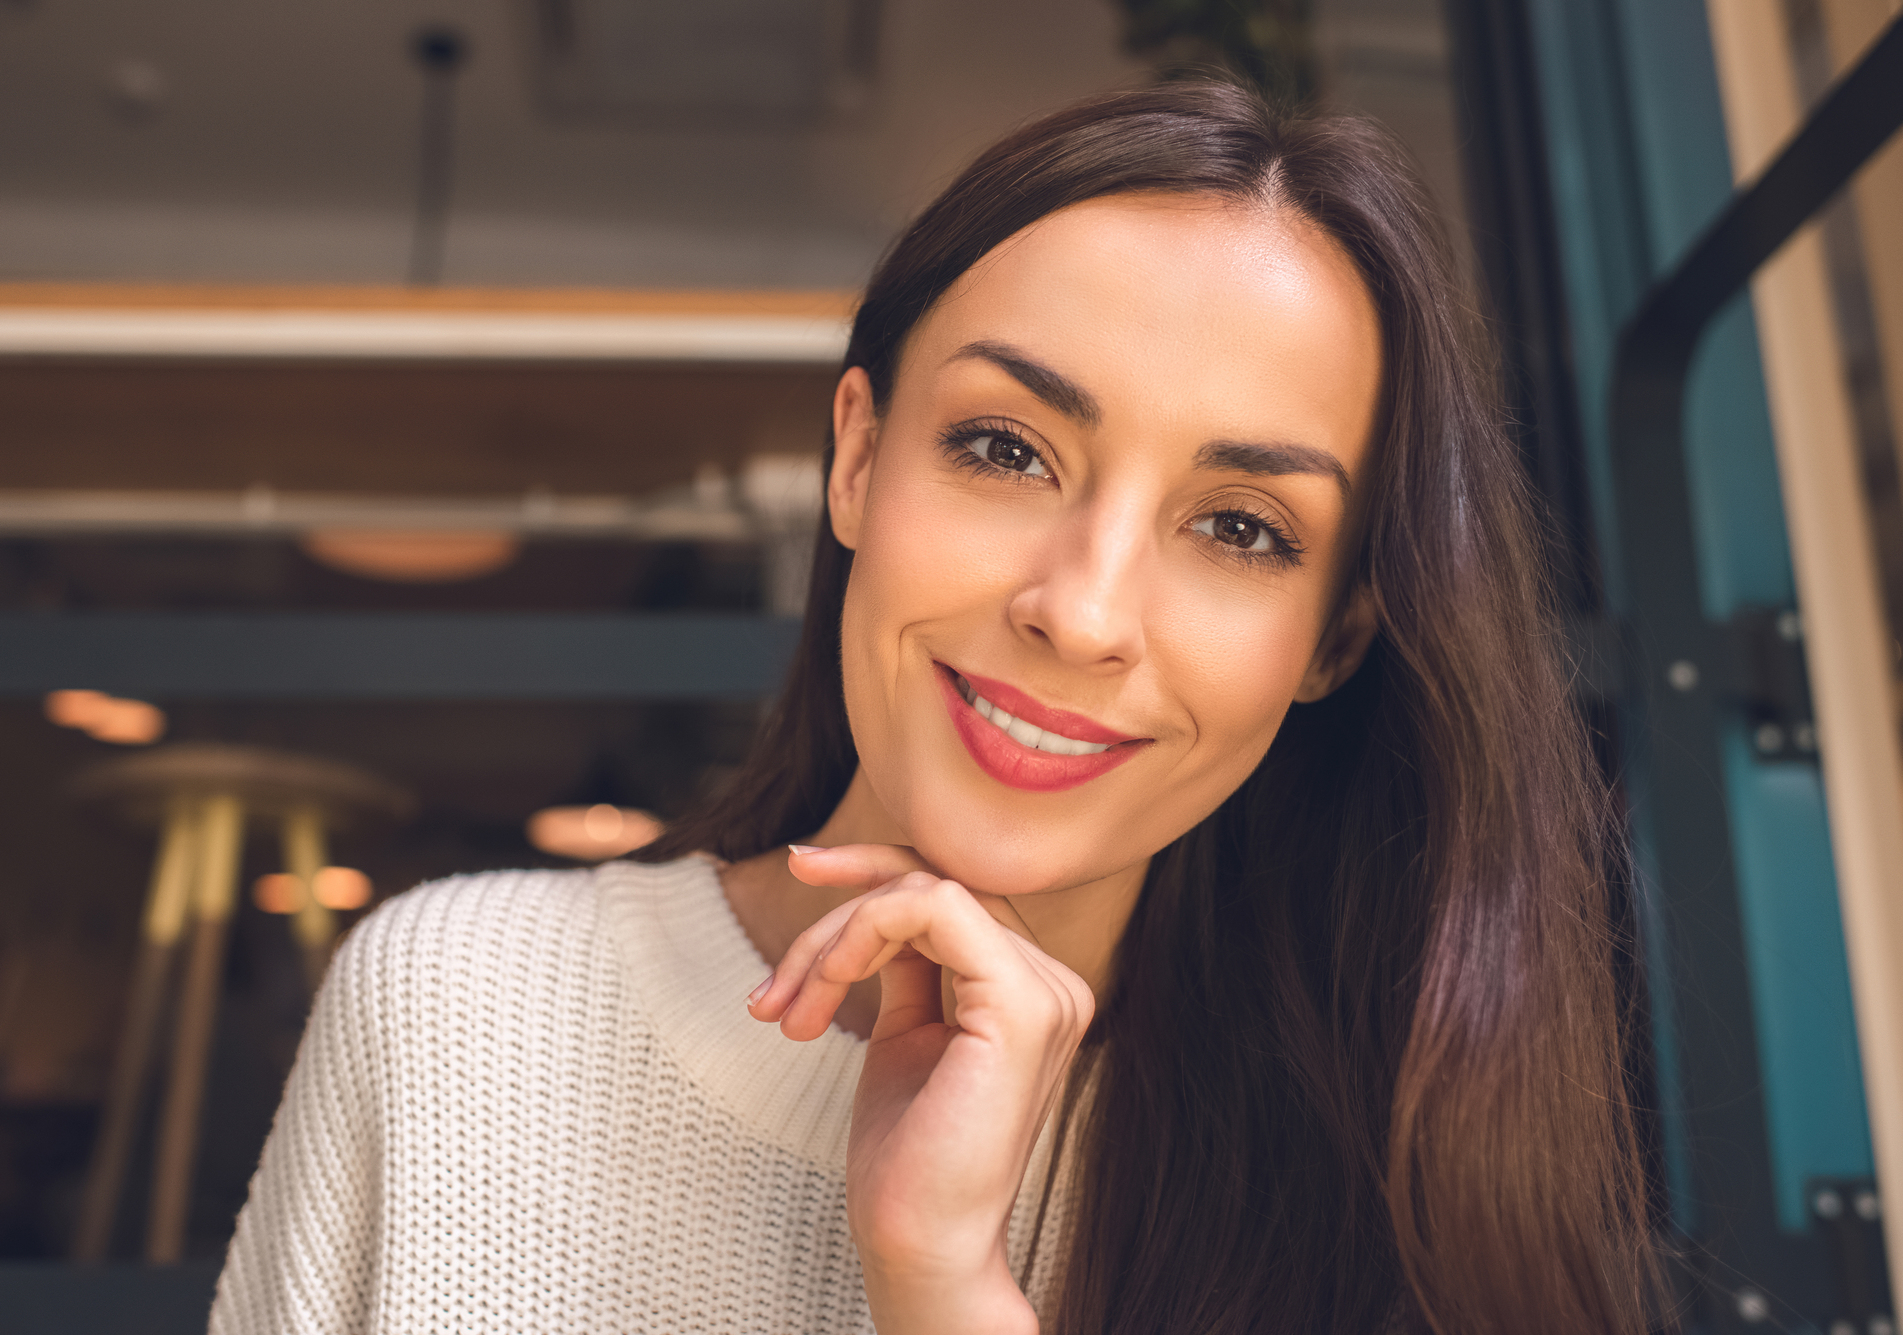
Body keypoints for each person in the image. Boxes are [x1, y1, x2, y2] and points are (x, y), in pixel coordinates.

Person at [210, 81, 1660, 1335]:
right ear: (856, 460)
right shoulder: (459, 1002)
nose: (1080, 612)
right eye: (1004, 448)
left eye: (1240, 529)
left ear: (1333, 640)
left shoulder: (1393, 1211)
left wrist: (944, 1284)